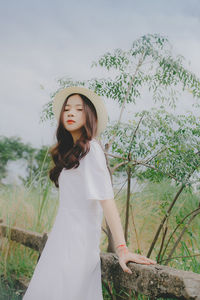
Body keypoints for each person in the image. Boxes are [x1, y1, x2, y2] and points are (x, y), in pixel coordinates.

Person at [23, 86, 156, 300]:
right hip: (60, 240)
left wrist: (122, 248)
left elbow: (107, 200)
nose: (71, 113)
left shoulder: (91, 150)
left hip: (78, 246)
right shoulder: (72, 154)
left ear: (89, 116)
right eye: (66, 110)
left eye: (78, 109)